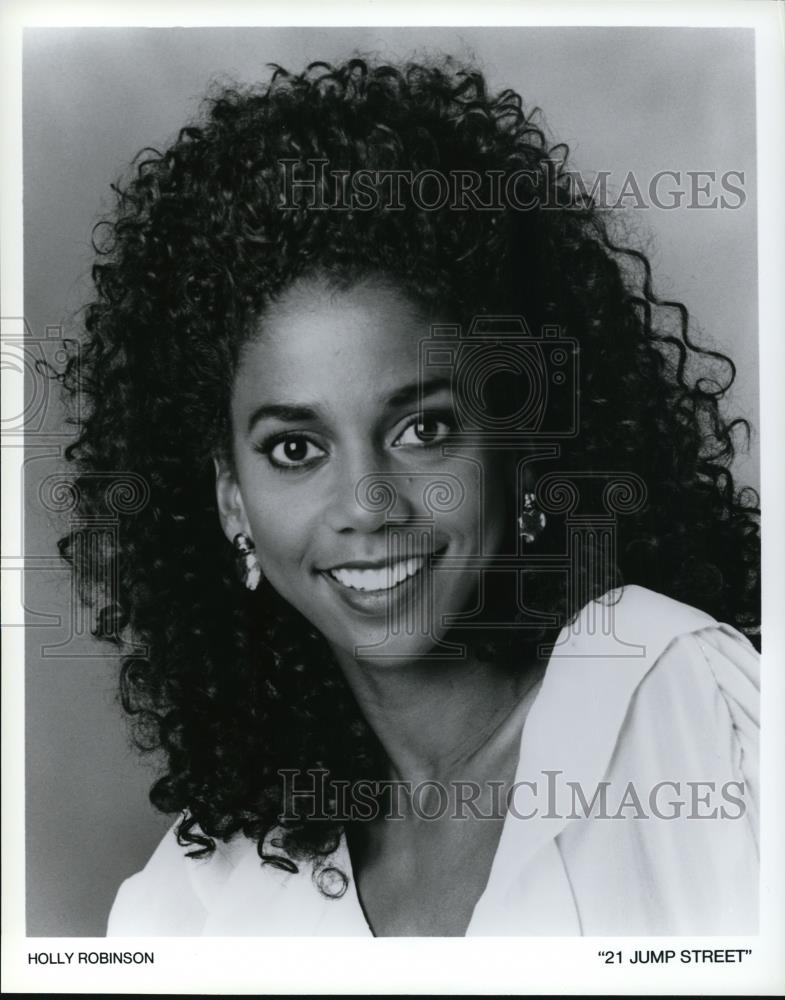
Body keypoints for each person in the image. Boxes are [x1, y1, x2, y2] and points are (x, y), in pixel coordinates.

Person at [58, 57, 760, 936]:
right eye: (295, 448)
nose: (367, 503)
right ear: (231, 501)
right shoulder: (203, 899)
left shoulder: (671, 703)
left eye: (420, 430)